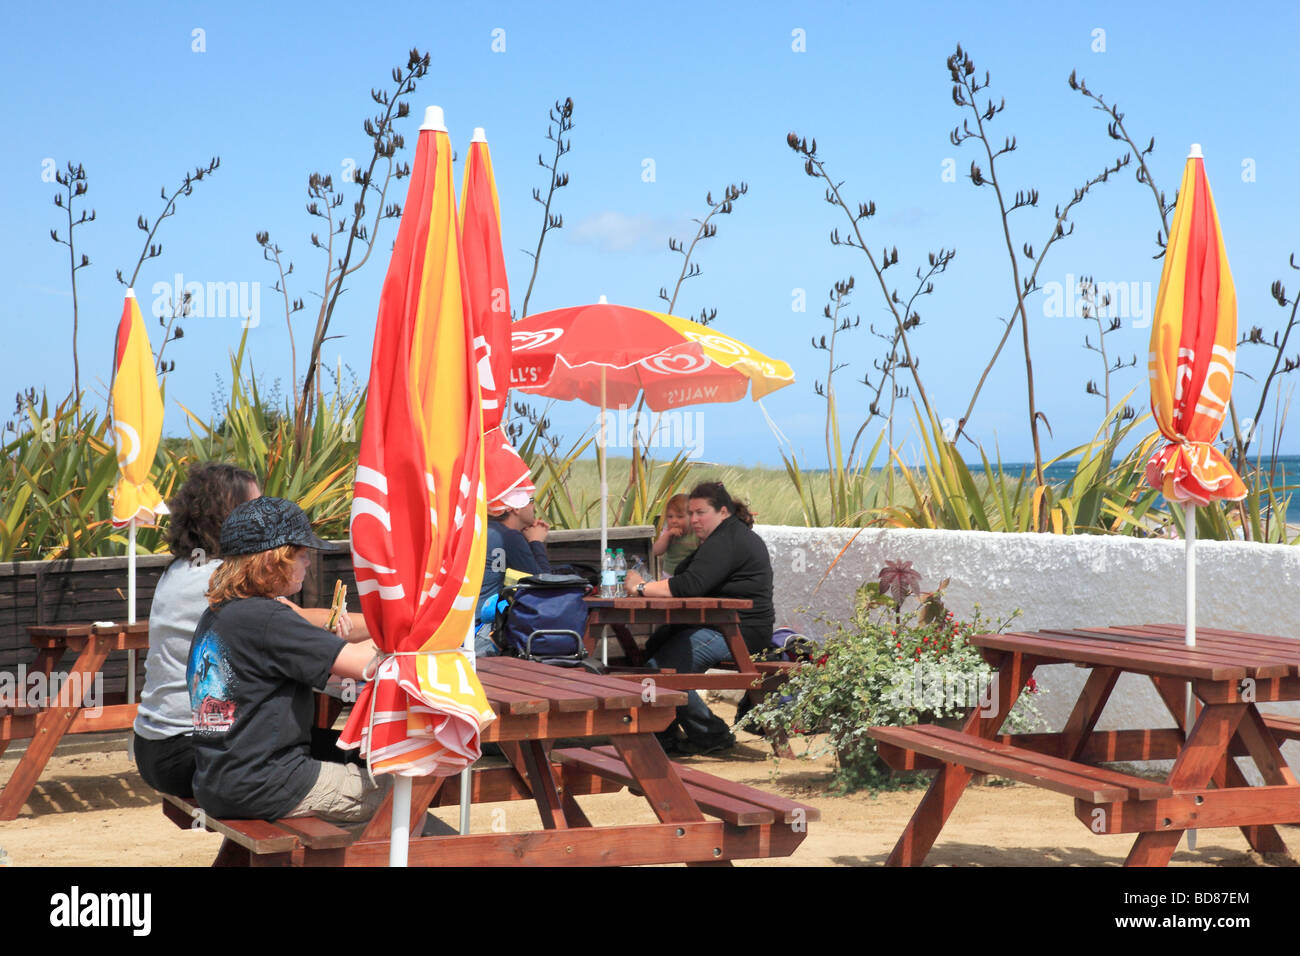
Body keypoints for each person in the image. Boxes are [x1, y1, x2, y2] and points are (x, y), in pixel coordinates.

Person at [187, 496, 383, 823]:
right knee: (403, 788)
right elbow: (365, 665)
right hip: (268, 785)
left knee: (353, 757)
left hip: (217, 781)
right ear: (270, 562)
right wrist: (404, 632)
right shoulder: (268, 618)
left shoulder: (217, 615)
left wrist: (327, 647)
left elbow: (278, 671)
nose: (308, 563)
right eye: (302, 555)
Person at [132, 463, 259, 797]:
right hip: (189, 750)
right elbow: (303, 625)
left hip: (155, 745)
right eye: (253, 508)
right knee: (341, 755)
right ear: (227, 516)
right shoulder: (220, 577)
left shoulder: (181, 568)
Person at [624, 481, 774, 755]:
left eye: (700, 512)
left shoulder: (729, 539)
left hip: (739, 630)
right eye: (691, 513)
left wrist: (641, 588)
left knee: (660, 671)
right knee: (654, 647)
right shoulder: (719, 539)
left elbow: (689, 585)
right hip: (717, 624)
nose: (694, 519)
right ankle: (664, 735)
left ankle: (711, 735)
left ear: (723, 512)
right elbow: (685, 572)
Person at [475, 489, 551, 658]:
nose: (534, 506)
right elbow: (545, 583)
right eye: (531, 500)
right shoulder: (508, 536)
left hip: (465, 630)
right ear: (516, 507)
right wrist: (536, 541)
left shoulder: (489, 531)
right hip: (482, 635)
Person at [652, 493, 698, 576]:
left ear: (691, 517)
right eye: (670, 516)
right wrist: (667, 535)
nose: (674, 521)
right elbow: (656, 551)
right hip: (669, 575)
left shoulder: (696, 532)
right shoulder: (667, 531)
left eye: (680, 517)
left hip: (690, 574)